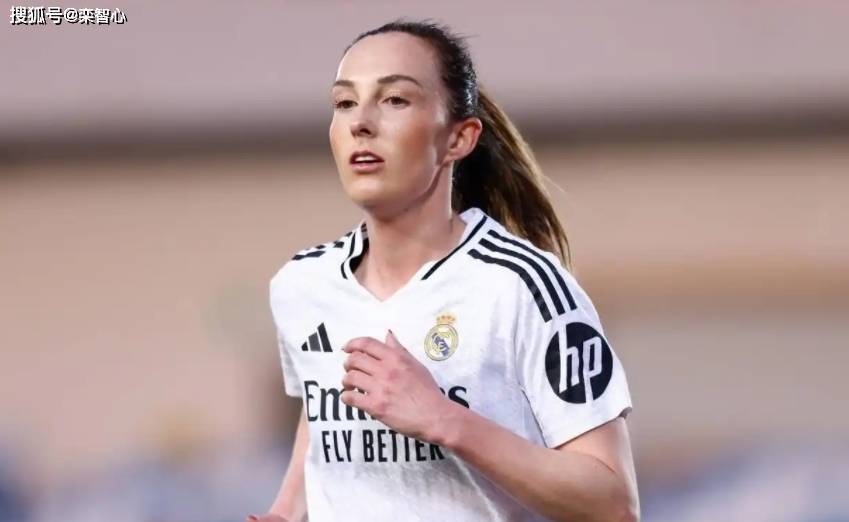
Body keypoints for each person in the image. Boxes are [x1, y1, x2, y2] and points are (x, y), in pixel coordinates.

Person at [248, 18, 639, 522]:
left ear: (459, 138)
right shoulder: (302, 285)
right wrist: (285, 512)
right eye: (344, 102)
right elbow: (322, 423)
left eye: (395, 99)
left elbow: (613, 504)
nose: (360, 122)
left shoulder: (522, 287)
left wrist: (443, 419)